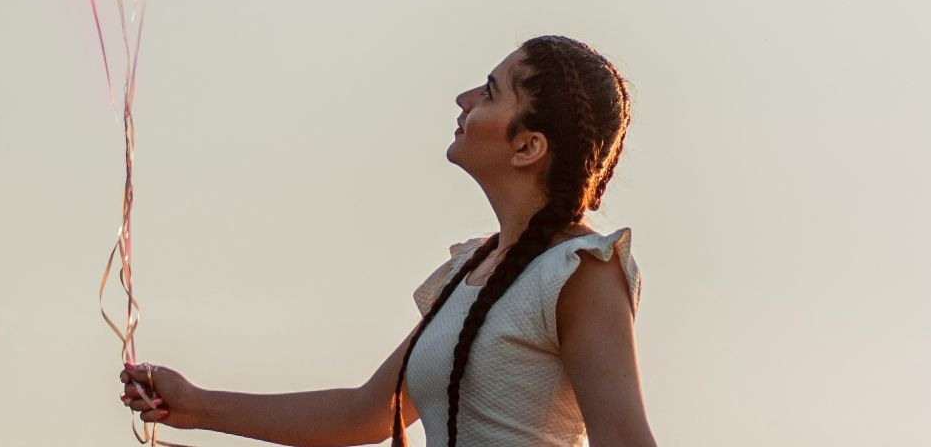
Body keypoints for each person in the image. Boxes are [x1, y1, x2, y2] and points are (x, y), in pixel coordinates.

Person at [118, 34, 657, 447]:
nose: (464, 98)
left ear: (528, 147)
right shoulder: (471, 269)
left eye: (490, 92)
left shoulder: (580, 270)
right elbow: (367, 412)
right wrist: (195, 406)